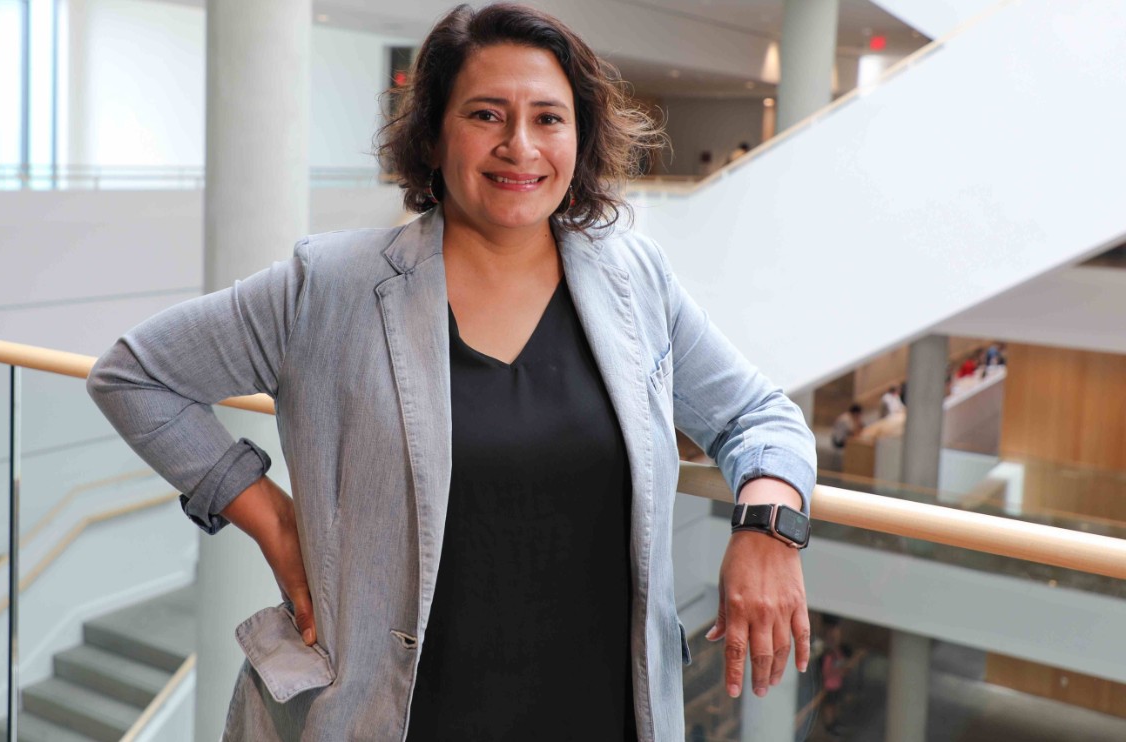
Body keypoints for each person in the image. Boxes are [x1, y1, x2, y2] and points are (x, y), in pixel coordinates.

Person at [86, 4, 816, 740]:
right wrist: (274, 521)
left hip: (601, 715)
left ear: (581, 137)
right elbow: (135, 377)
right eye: (486, 114)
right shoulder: (330, 285)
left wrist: (768, 528)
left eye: (549, 119)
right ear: (433, 135)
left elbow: (758, 416)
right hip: (391, 718)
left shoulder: (635, 280)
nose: (519, 146)